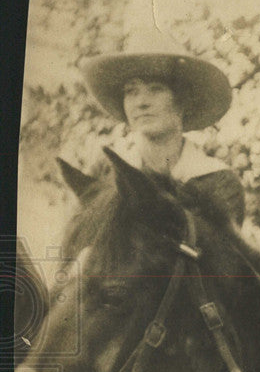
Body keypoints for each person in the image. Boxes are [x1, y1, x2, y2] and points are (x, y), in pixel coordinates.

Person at [80, 29, 244, 226]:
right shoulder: (106, 174)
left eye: (156, 89)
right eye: (131, 91)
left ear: (182, 101)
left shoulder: (216, 182)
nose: (141, 102)